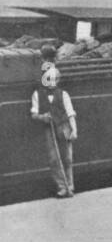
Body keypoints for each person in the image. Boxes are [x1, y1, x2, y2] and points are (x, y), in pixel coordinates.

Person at [30, 65, 77, 198]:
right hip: (49, 129)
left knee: (67, 158)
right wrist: (42, 117)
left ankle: (70, 186)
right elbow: (33, 114)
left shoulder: (63, 94)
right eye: (49, 79)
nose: (52, 82)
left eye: (54, 79)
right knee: (54, 159)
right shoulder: (37, 94)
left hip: (64, 127)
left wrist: (74, 130)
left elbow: (70, 114)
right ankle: (62, 187)